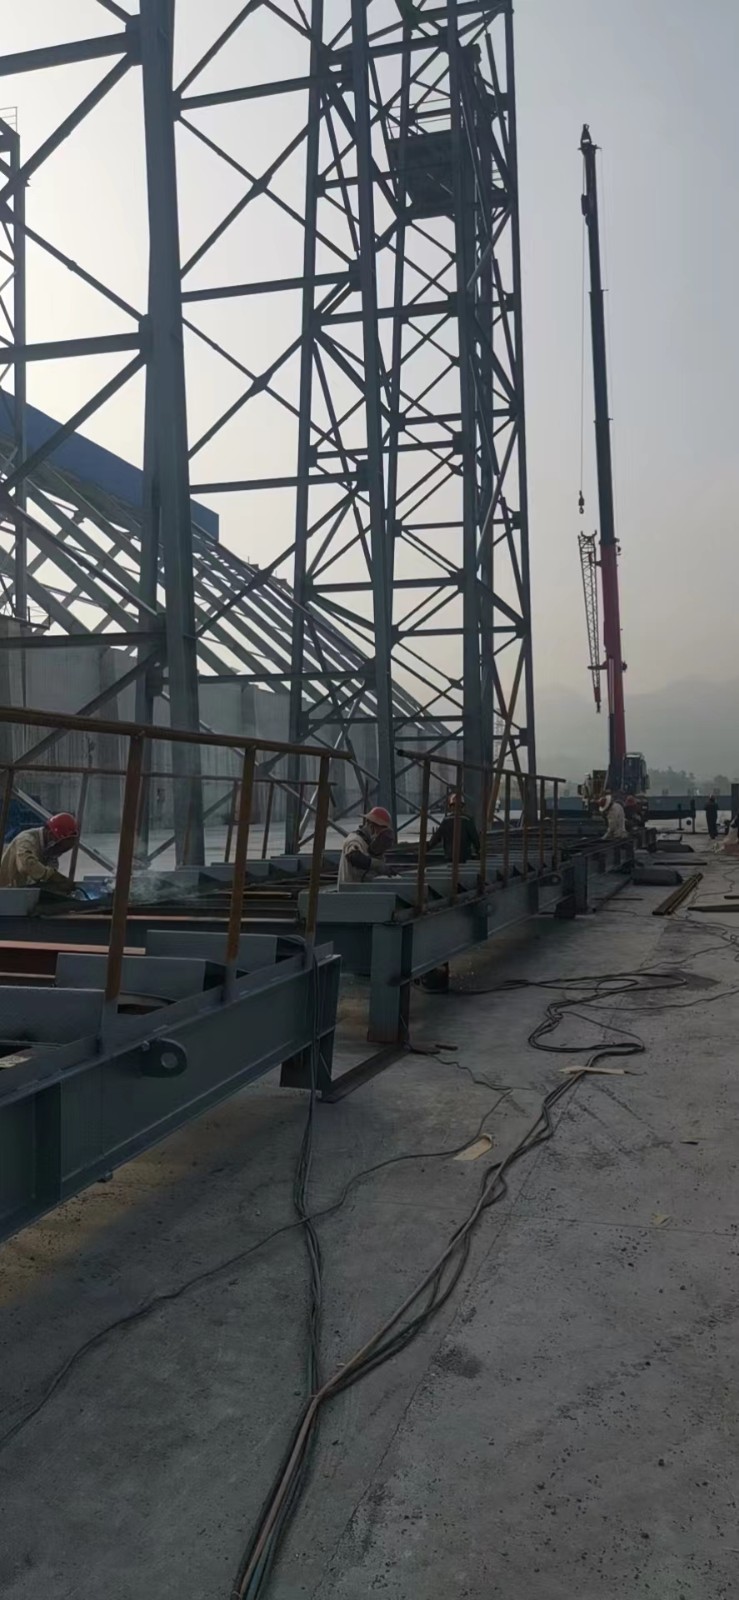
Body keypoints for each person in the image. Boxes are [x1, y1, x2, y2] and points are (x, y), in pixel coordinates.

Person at [0, 812, 79, 891]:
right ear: (50, 834)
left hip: (20, 891)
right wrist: (51, 875)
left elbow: (44, 878)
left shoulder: (49, 851)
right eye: (60, 847)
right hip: (5, 891)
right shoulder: (26, 840)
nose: (59, 851)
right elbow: (26, 864)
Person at [338, 806, 395, 885]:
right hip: (349, 889)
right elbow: (354, 857)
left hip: (363, 889)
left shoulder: (369, 844)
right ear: (371, 826)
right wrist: (376, 865)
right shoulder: (355, 839)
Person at [428, 793, 480, 863]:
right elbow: (474, 837)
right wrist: (479, 850)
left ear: (450, 807)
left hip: (450, 855)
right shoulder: (467, 820)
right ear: (462, 807)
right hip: (464, 856)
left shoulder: (446, 820)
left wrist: (427, 848)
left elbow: (436, 838)